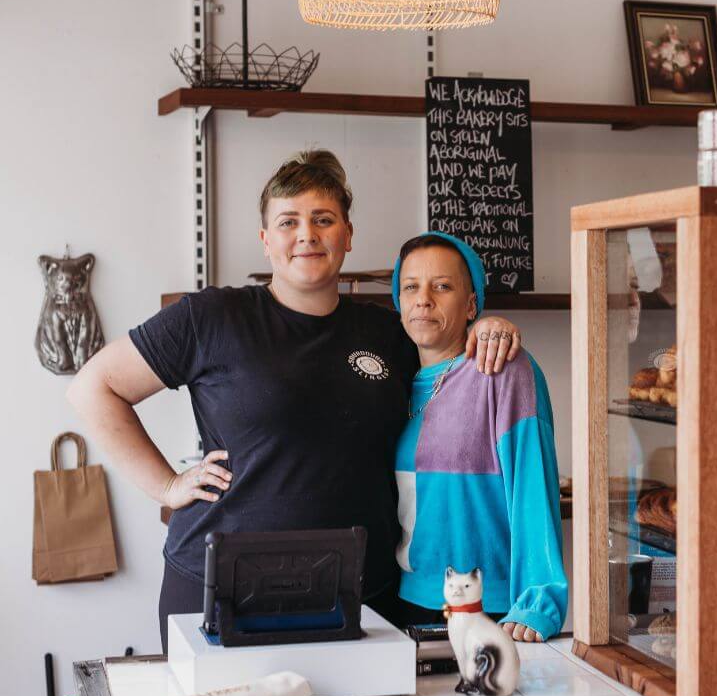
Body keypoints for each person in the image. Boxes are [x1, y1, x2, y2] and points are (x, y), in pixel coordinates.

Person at [67, 150, 524, 650]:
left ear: (347, 235)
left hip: (360, 594)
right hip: (222, 590)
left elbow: (451, 354)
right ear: (266, 240)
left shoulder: (388, 334)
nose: (307, 234)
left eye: (323, 220)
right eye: (289, 221)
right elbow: (94, 387)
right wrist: (167, 485)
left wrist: (487, 324)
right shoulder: (212, 318)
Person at [390, 232, 567, 642]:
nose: (424, 299)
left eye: (443, 286)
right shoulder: (391, 383)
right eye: (411, 287)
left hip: (495, 610)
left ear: (472, 304)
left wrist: (538, 602)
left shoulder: (501, 369)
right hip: (408, 603)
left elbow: (533, 489)